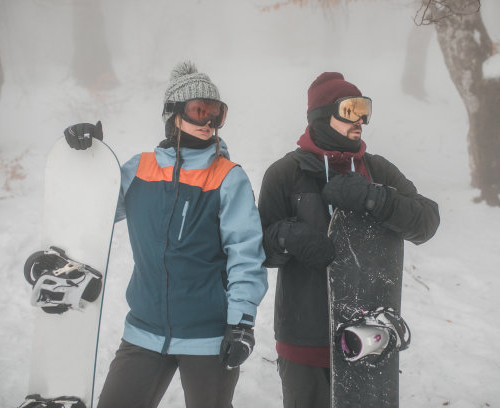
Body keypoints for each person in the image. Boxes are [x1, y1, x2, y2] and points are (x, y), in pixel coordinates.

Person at [64, 61, 268, 408]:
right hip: (144, 330)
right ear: (173, 114)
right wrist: (88, 161)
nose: (208, 123)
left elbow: (245, 253)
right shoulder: (138, 170)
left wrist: (242, 323)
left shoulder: (227, 177)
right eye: (199, 111)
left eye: (216, 114)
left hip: (209, 336)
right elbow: (95, 211)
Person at [257, 72, 440, 408]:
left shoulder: (377, 171)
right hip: (303, 340)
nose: (361, 120)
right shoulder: (285, 174)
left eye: (364, 110)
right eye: (351, 110)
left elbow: (427, 222)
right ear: (322, 116)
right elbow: (260, 250)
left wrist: (377, 199)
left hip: (367, 339)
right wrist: (288, 236)